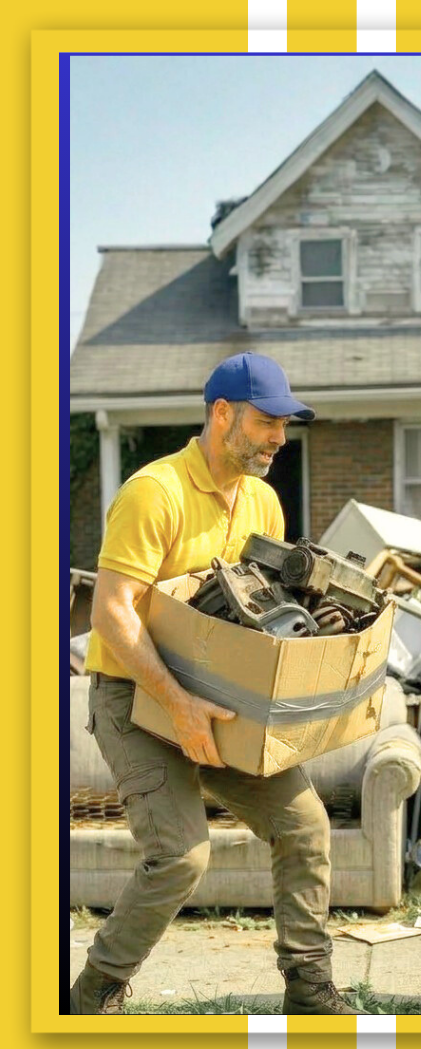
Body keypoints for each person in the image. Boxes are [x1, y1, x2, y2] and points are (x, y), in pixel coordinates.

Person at [70, 352, 362, 1015]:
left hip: (225, 700)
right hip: (136, 696)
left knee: (306, 827)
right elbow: (113, 613)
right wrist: (178, 704)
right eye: (266, 423)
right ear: (222, 413)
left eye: (285, 426)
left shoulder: (262, 500)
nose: (278, 439)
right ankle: (92, 997)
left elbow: (260, 614)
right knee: (180, 855)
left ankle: (310, 989)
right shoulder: (155, 491)